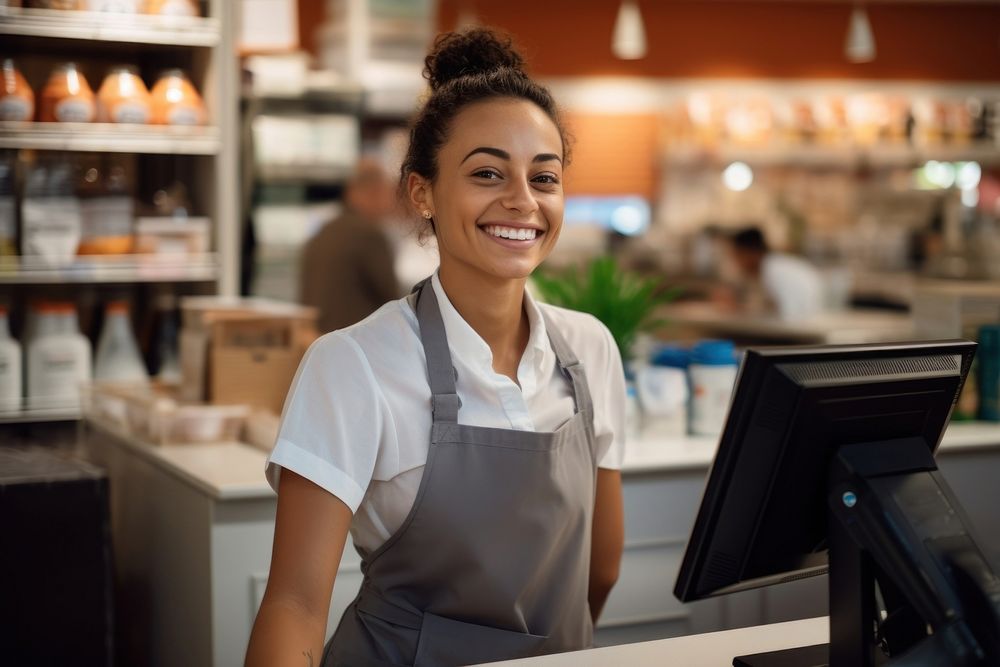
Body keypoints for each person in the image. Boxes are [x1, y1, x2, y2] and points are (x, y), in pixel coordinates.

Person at [246, 28, 627, 667]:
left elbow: (603, 567)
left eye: (545, 177)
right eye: (486, 173)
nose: (522, 201)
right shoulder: (352, 366)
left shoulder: (591, 349)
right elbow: (294, 606)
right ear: (422, 192)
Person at [299, 157, 401, 333]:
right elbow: (394, 302)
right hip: (357, 347)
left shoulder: (323, 233)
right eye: (387, 194)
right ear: (372, 192)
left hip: (316, 345)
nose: (389, 204)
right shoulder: (369, 235)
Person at [722, 226, 825, 321]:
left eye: (737, 255)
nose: (735, 262)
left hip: (800, 330)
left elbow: (785, 313)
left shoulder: (775, 271)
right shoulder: (768, 268)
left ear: (750, 252)